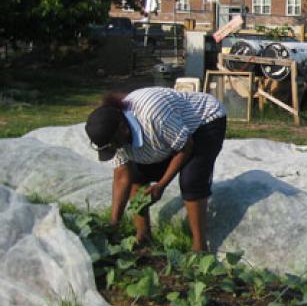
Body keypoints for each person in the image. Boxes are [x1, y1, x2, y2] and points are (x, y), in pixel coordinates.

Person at [85, 87, 227, 251]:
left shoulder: (153, 116)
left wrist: (161, 185)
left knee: (191, 181)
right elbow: (122, 176)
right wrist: (114, 222)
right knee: (136, 177)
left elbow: (185, 147)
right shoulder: (113, 137)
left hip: (203, 121)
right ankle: (143, 236)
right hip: (172, 132)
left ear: (123, 129)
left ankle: (200, 247)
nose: (116, 149)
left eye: (115, 145)